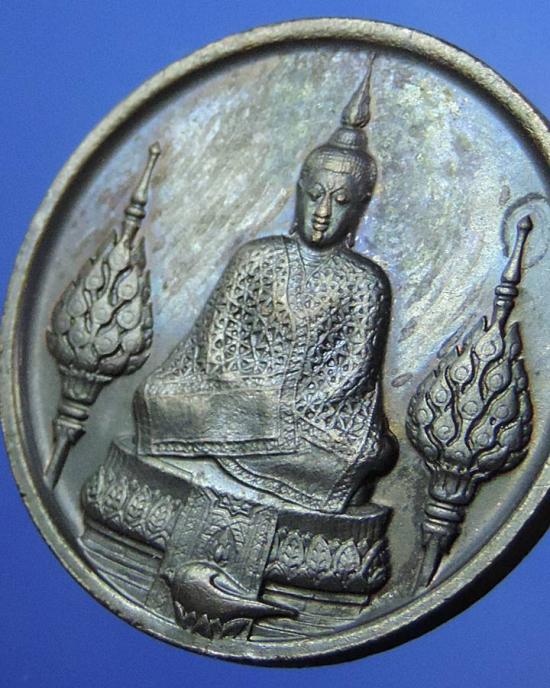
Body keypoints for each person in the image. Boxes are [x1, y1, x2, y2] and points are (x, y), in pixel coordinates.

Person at [134, 58, 398, 513]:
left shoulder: (365, 283)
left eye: (340, 201)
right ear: (299, 192)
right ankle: (249, 439)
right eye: (314, 195)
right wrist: (254, 395)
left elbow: (351, 374)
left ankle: (238, 446)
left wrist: (284, 402)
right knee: (158, 397)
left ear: (358, 210)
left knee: (362, 452)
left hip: (308, 419)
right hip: (236, 397)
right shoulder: (256, 257)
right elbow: (215, 342)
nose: (322, 213)